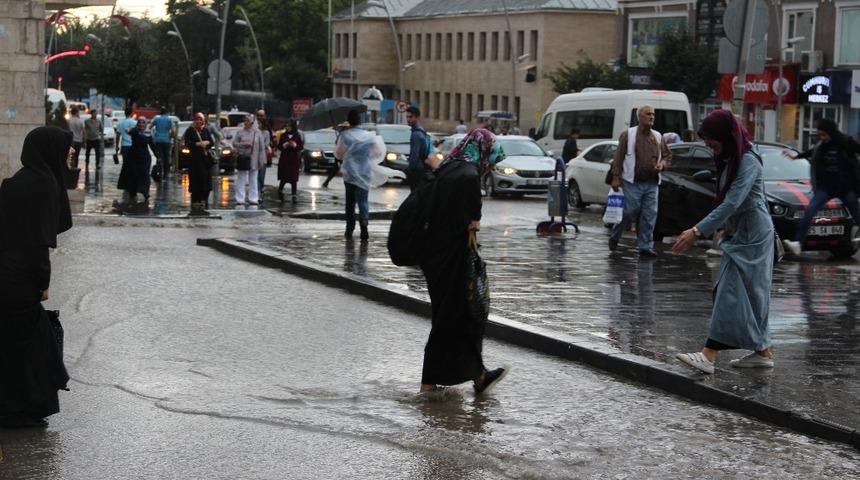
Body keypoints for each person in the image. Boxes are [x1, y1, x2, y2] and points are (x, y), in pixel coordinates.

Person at [672, 109, 775, 374]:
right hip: (742, 234)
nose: (708, 144)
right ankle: (763, 351)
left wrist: (697, 230)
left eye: (710, 139)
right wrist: (726, 228)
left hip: (754, 236)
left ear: (724, 136)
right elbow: (733, 203)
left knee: (729, 291)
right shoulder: (732, 157)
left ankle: (709, 354)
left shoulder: (748, 161)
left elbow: (733, 201)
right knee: (752, 296)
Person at [418, 133, 507, 395]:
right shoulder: (467, 175)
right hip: (450, 259)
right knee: (452, 319)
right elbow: (469, 220)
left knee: (458, 318)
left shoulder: (450, 166)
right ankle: (429, 385)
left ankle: (478, 376)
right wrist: (474, 219)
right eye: (491, 160)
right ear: (483, 151)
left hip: (436, 256)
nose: (490, 167)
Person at [0, 126, 73, 428]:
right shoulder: (45, 185)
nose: (70, 155)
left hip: (5, 271)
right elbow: (36, 243)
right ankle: (21, 410)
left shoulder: (15, 182)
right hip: (20, 277)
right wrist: (42, 283)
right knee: (32, 344)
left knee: (13, 341)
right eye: (66, 150)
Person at [782, 119, 860, 255]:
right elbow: (811, 152)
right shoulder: (822, 146)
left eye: (824, 135)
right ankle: (798, 243)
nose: (822, 138)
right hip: (826, 188)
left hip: (846, 188)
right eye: (820, 135)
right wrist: (796, 157)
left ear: (831, 133)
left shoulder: (846, 142)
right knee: (810, 210)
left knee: (856, 214)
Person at [608, 105, 672, 257]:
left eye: (653, 114)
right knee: (630, 211)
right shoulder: (628, 135)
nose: (651, 117)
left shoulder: (657, 136)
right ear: (639, 117)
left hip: (651, 182)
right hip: (632, 181)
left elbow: (667, 156)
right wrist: (616, 177)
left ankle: (645, 246)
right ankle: (615, 235)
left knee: (649, 215)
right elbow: (618, 157)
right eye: (648, 114)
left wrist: (662, 164)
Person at [336, 110, 376, 240]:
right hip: (364, 172)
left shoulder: (345, 136)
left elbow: (340, 154)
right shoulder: (369, 136)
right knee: (363, 201)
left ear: (349, 121)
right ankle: (364, 227)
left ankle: (350, 229)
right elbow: (377, 152)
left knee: (350, 203)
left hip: (350, 174)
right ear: (360, 121)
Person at [183, 113, 215, 213]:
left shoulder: (206, 130)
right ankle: (195, 200)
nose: (198, 121)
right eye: (197, 119)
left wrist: (207, 143)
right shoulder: (190, 130)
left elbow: (211, 142)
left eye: (200, 119)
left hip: (205, 160)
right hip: (194, 160)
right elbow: (187, 143)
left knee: (205, 180)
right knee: (195, 180)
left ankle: (203, 200)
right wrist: (197, 144)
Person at [232, 115, 262, 206]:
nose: (245, 122)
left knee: (253, 179)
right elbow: (234, 143)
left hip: (254, 158)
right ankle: (240, 199)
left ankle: (253, 198)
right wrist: (243, 145)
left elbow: (261, 148)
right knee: (241, 178)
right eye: (245, 120)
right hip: (243, 158)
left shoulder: (257, 133)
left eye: (247, 121)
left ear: (252, 122)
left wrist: (261, 159)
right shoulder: (240, 132)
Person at [126, 117, 155, 205]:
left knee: (145, 174)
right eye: (140, 123)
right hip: (134, 156)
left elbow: (152, 145)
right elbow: (129, 131)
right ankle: (133, 192)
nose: (141, 124)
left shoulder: (148, 133)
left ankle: (145, 192)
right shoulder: (135, 131)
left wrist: (159, 156)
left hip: (145, 157)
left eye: (143, 123)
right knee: (134, 175)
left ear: (146, 124)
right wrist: (131, 129)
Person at [277, 120, 304, 201]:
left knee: (293, 178)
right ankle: (280, 190)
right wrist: (283, 145)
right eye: (286, 126)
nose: (287, 128)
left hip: (293, 159)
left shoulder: (297, 135)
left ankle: (294, 193)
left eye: (289, 126)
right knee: (284, 177)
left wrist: (295, 145)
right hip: (285, 158)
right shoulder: (283, 135)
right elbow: (279, 146)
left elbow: (300, 146)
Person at [406, 106, 431, 192]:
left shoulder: (416, 134)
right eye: (407, 117)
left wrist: (410, 169)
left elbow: (415, 155)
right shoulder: (420, 131)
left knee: (415, 195)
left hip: (416, 170)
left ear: (417, 117)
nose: (408, 119)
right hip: (421, 168)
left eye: (411, 117)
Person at [150, 107, 174, 181]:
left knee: (159, 156)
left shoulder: (156, 119)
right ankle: (165, 175)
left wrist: (153, 136)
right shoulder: (169, 120)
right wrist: (170, 137)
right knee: (166, 157)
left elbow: (150, 127)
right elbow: (173, 131)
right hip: (166, 141)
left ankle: (159, 171)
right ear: (167, 113)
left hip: (158, 140)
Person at [255, 109, 274, 196]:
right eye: (259, 115)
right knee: (255, 176)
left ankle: (261, 187)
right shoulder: (254, 130)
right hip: (254, 156)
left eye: (262, 115)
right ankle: (257, 191)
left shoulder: (267, 132)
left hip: (263, 156)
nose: (260, 117)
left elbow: (267, 143)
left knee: (261, 175)